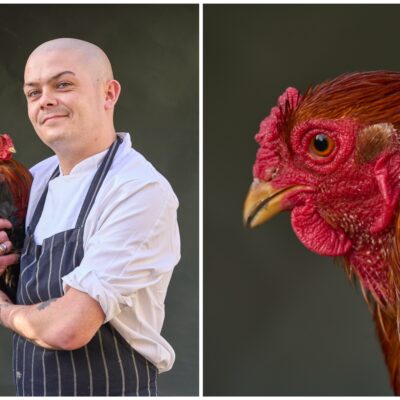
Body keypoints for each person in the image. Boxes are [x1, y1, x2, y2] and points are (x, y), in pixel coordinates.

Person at [0, 37, 180, 396]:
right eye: (33, 93)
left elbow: (70, 327)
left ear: (109, 94)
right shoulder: (36, 180)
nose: (46, 100)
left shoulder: (137, 189)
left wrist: (3, 310)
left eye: (63, 84)